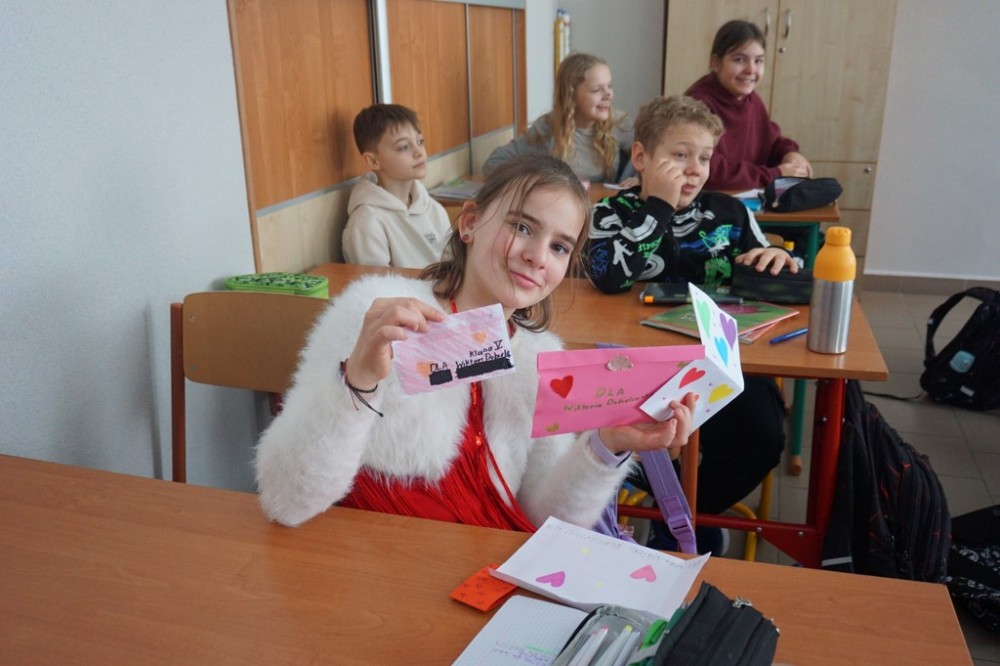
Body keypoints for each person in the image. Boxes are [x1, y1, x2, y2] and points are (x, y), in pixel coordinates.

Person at [256, 155, 697, 530]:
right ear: (470, 223)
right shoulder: (376, 316)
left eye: (560, 247)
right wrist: (358, 380)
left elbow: (544, 520)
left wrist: (607, 445)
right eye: (522, 226)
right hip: (377, 557)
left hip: (483, 562)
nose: (537, 256)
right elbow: (286, 501)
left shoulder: (540, 359)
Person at [587, 94, 794, 520]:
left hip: (720, 366)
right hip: (634, 368)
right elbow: (610, 278)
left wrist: (777, 258)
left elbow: (770, 268)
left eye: (704, 157)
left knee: (763, 434)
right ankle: (663, 499)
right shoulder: (610, 213)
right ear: (641, 157)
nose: (695, 168)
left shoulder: (730, 212)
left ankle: (686, 515)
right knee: (615, 436)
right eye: (680, 155)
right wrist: (659, 208)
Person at [685, 20, 811, 190]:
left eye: (758, 61)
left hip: (746, 196)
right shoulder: (698, 105)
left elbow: (769, 141)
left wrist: (789, 153)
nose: (751, 70)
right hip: (710, 199)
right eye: (739, 60)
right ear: (716, 63)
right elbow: (711, 172)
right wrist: (776, 174)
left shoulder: (751, 99)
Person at [482, 53, 636, 186]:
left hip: (605, 206)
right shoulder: (547, 127)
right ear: (571, 95)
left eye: (610, 86)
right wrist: (536, 182)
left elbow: (646, 158)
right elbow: (493, 163)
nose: (608, 94)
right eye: (597, 90)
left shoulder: (619, 123)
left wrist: (640, 179)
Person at [341, 103, 451, 269]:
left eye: (420, 141)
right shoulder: (367, 222)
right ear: (373, 161)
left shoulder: (433, 209)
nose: (419, 152)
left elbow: (454, 267)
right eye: (403, 147)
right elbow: (376, 283)